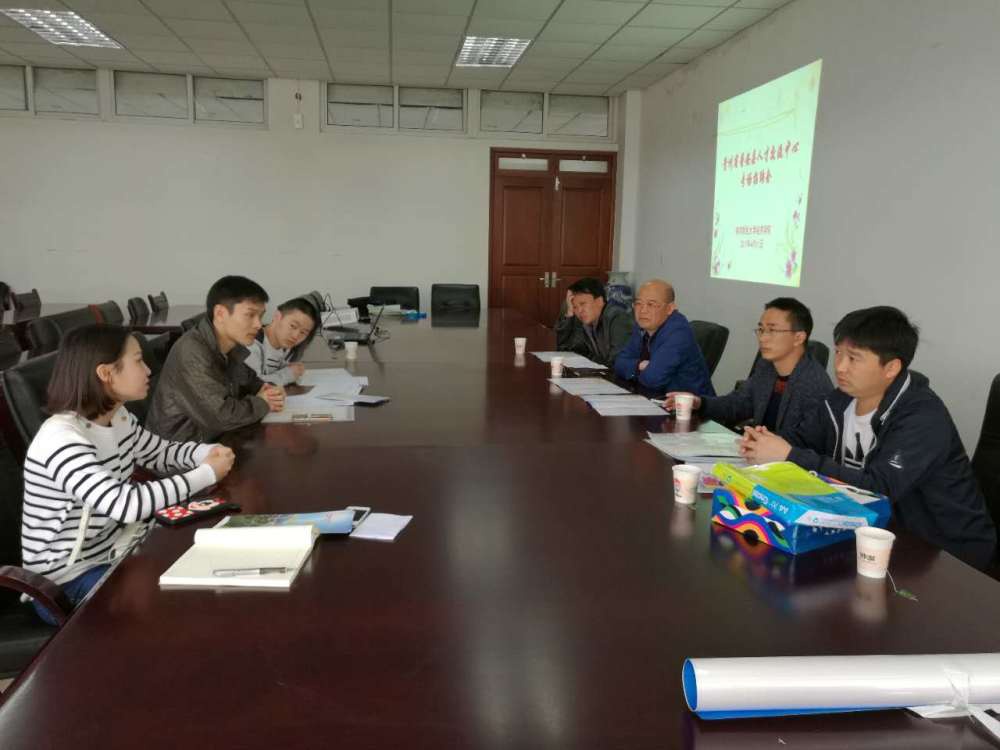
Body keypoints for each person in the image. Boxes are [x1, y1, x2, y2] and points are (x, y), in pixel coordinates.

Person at [740, 306, 996, 569]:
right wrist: (763, 441)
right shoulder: (841, 399)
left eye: (853, 358)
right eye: (838, 353)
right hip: (871, 532)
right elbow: (801, 438)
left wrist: (789, 455)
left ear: (891, 368)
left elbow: (879, 489)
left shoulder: (922, 417)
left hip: (944, 553)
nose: (840, 367)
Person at [21, 324, 235, 624]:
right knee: (175, 604)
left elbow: (160, 452)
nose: (148, 370)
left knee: (199, 568)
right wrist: (207, 474)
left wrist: (207, 453)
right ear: (106, 373)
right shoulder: (61, 438)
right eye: (138, 360)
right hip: (65, 582)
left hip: (112, 553)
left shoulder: (117, 417)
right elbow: (125, 504)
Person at [147, 275, 285, 442]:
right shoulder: (192, 352)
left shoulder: (229, 344)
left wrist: (268, 390)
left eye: (260, 316)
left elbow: (248, 381)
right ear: (220, 314)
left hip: (210, 441)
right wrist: (262, 403)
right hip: (178, 449)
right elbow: (222, 416)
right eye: (250, 315)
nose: (258, 324)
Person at [665, 297, 831, 432]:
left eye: (772, 330)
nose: (762, 338)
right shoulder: (767, 366)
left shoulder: (814, 384)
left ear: (798, 338)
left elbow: (806, 443)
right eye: (761, 329)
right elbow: (738, 403)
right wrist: (700, 403)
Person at [613, 279, 715, 397]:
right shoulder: (643, 324)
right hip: (656, 398)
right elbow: (619, 363)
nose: (642, 310)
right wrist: (639, 365)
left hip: (689, 406)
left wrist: (633, 368)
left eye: (651, 304)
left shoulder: (678, 333)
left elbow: (652, 379)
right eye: (638, 303)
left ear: (670, 308)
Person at [554, 277, 632, 368]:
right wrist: (570, 313)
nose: (579, 311)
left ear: (599, 301)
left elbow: (617, 363)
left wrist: (591, 358)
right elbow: (566, 350)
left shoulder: (618, 318)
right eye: (575, 307)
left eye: (583, 304)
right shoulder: (585, 319)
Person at [246, 296, 320, 386]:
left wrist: (292, 370)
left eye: (303, 332)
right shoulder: (251, 344)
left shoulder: (285, 345)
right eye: (293, 326)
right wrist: (288, 374)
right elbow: (250, 385)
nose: (295, 336)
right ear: (278, 316)